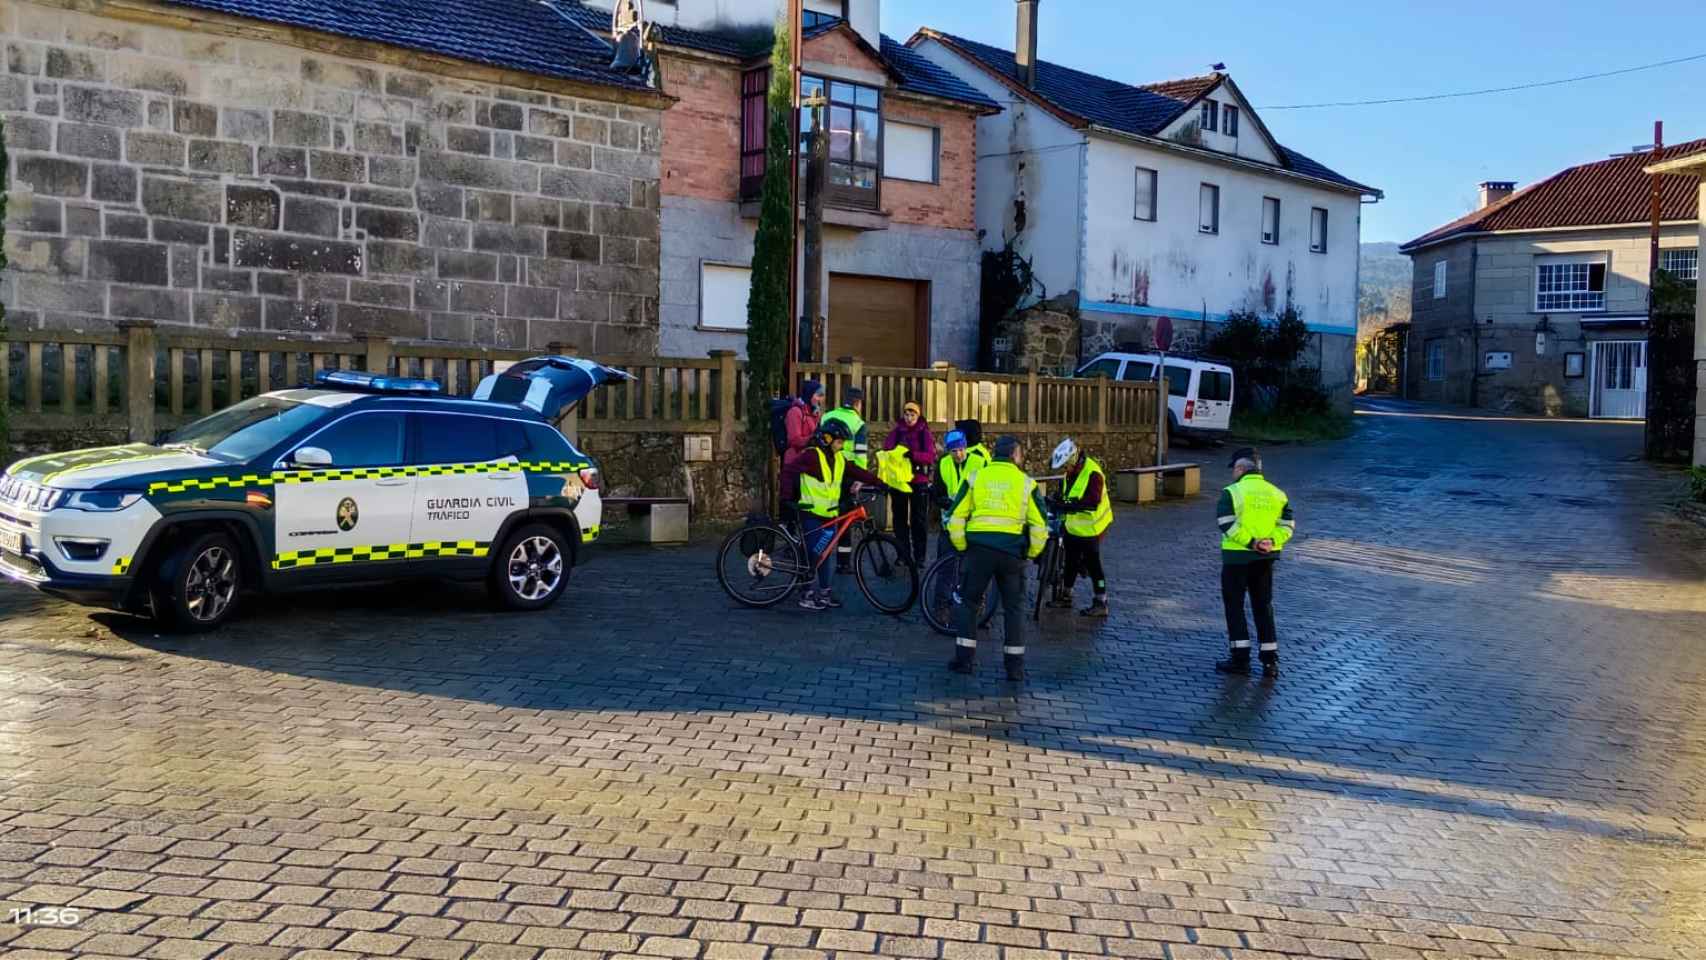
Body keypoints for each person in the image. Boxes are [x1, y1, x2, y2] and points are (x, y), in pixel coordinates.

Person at [946, 435, 1048, 682]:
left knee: (969, 604)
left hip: (978, 551)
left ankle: (964, 661)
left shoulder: (975, 478)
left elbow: (955, 517)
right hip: (1012, 555)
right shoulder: (1026, 483)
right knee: (1013, 608)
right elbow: (1040, 525)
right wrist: (1031, 553)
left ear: (994, 454)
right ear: (1014, 455)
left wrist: (962, 546)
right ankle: (1014, 668)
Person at [787, 419, 883, 611]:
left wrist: (879, 482)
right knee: (816, 552)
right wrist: (786, 498)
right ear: (827, 439)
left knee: (824, 554)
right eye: (839, 442)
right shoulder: (812, 456)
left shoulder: (839, 459)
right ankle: (805, 592)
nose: (841, 446)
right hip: (811, 512)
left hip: (830, 514)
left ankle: (824, 592)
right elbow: (789, 470)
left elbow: (856, 471)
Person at [1215, 446, 1294, 678]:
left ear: (1240, 468)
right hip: (1265, 559)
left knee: (1235, 606)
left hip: (1237, 559)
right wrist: (1270, 542)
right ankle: (1270, 662)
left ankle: (1240, 660)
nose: (1232, 474)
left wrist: (1251, 543)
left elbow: (1226, 524)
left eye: (1233, 469)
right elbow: (1287, 525)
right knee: (1263, 606)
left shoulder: (1232, 492)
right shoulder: (1278, 493)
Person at [1045, 438, 1112, 617]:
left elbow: (1092, 501)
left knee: (1093, 563)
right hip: (1074, 526)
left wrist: (1069, 503)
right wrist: (1057, 498)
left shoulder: (1093, 474)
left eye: (1065, 466)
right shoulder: (1072, 472)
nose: (1064, 470)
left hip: (1092, 527)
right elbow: (1065, 492)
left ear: (1074, 461)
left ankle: (1101, 601)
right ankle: (1066, 595)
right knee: (1071, 560)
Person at [819, 387, 867, 571]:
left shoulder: (826, 416)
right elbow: (861, 454)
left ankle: (818, 556)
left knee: (824, 516)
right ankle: (843, 562)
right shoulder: (858, 423)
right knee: (845, 518)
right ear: (858, 403)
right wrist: (860, 479)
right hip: (847, 474)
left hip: (824, 470)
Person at [883, 401, 936, 565]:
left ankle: (919, 556)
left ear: (918, 415)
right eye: (906, 414)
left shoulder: (924, 433)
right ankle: (903, 554)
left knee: (918, 520)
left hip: (918, 480)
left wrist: (913, 455)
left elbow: (930, 456)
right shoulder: (897, 431)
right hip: (899, 482)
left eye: (912, 415)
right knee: (899, 520)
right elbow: (886, 450)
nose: (909, 418)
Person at [931, 430, 978, 561]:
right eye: (954, 451)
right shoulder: (943, 463)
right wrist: (947, 503)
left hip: (973, 523)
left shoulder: (979, 462)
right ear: (948, 451)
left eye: (961, 449)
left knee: (971, 567)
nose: (958, 454)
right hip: (949, 523)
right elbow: (937, 492)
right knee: (946, 565)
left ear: (966, 447)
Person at [783, 380, 824, 470]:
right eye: (818, 395)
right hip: (794, 463)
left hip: (807, 462)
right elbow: (794, 440)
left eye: (822, 396)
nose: (821, 399)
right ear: (809, 394)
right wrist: (813, 438)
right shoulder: (795, 412)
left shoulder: (813, 413)